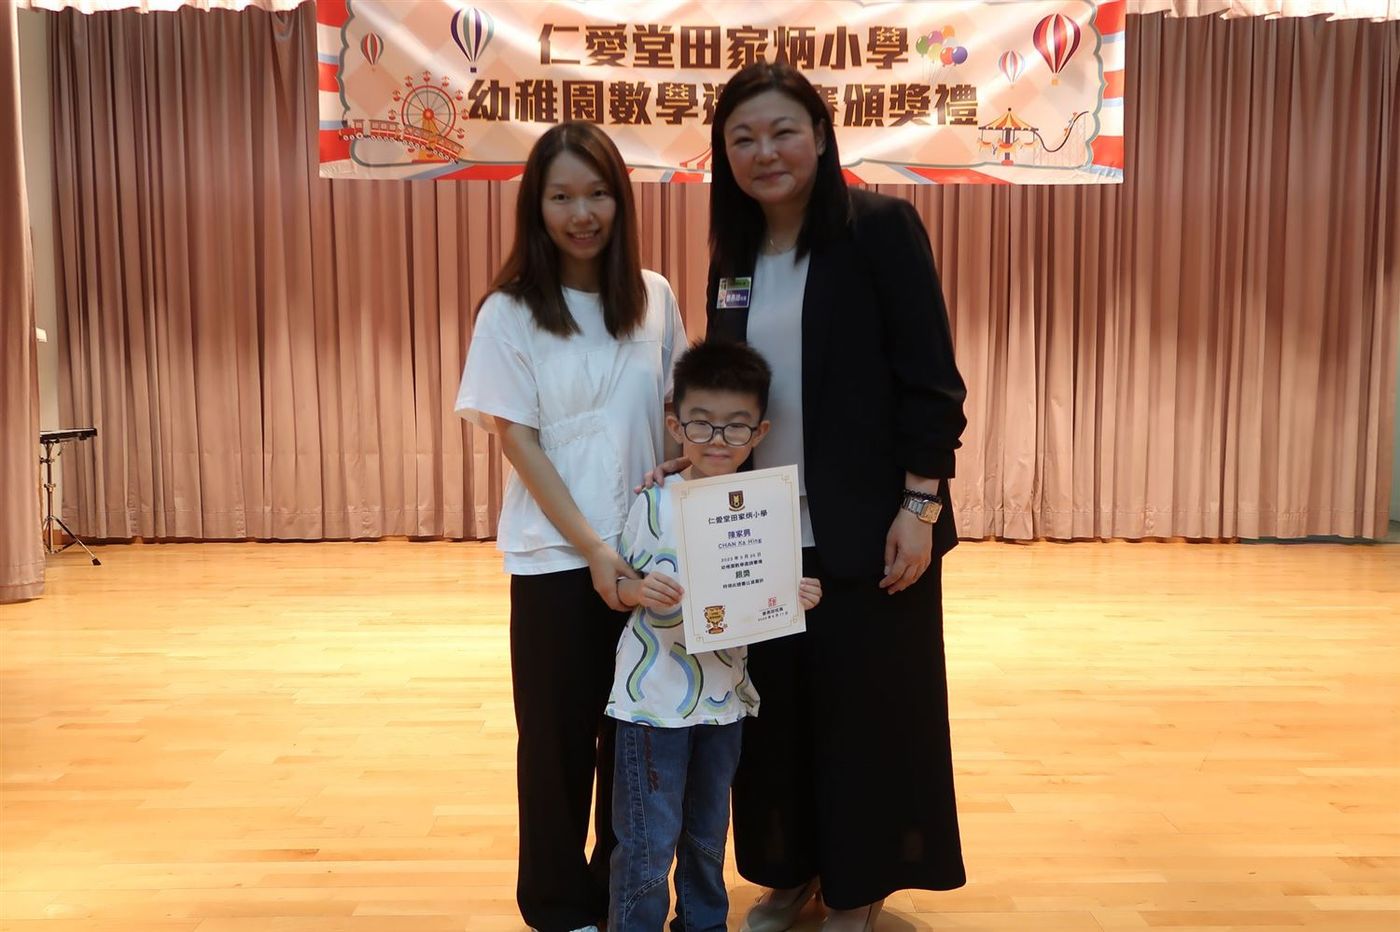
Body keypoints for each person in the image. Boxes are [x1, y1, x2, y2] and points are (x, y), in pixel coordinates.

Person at [705, 61, 969, 931]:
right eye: (742, 138)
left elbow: (932, 380)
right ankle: (790, 870)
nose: (764, 152)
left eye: (782, 131)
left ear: (820, 137)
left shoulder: (879, 229)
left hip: (871, 528)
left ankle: (857, 886)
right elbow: (726, 387)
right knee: (774, 718)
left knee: (866, 718)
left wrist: (920, 508)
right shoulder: (735, 257)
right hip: (762, 533)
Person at [454, 121, 686, 932]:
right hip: (555, 558)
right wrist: (593, 550)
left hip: (648, 559)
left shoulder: (654, 296)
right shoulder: (510, 312)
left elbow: (675, 411)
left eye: (597, 194)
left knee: (633, 743)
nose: (581, 213)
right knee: (555, 747)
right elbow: (517, 439)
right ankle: (557, 909)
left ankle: (621, 897)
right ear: (537, 207)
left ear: (620, 200)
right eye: (561, 197)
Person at [606, 340, 822, 932]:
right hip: (652, 703)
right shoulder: (653, 501)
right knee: (647, 842)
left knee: (707, 835)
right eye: (700, 424)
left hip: (724, 701)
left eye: (736, 426)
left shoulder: (762, 510)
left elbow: (761, 597)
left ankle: (704, 924)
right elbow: (617, 584)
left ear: (760, 432)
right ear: (676, 425)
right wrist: (636, 590)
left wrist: (793, 596)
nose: (717, 439)